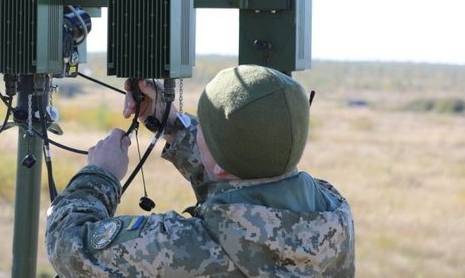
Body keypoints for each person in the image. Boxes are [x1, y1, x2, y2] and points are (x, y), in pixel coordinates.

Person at [45, 64, 355, 277]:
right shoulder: (332, 212)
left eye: (203, 128)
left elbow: (69, 248)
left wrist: (100, 175)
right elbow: (241, 179)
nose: (197, 131)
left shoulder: (191, 246)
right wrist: (171, 124)